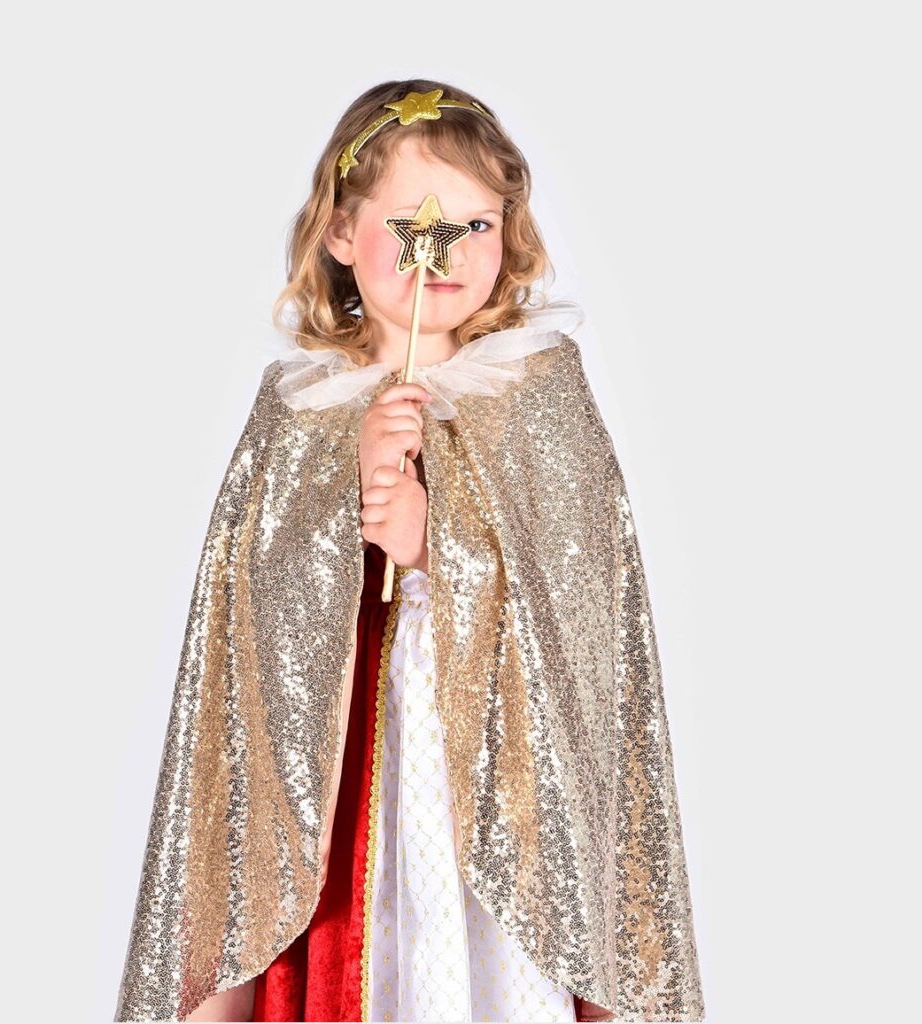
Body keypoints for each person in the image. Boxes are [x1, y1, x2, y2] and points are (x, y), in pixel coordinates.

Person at [114, 80, 705, 1023]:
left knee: (482, 965)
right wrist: (342, 493)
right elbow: (250, 640)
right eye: (416, 224)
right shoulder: (298, 411)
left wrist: (441, 549)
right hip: (347, 773)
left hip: (502, 797)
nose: (447, 251)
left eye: (477, 224)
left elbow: (582, 620)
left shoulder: (538, 397)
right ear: (341, 233)